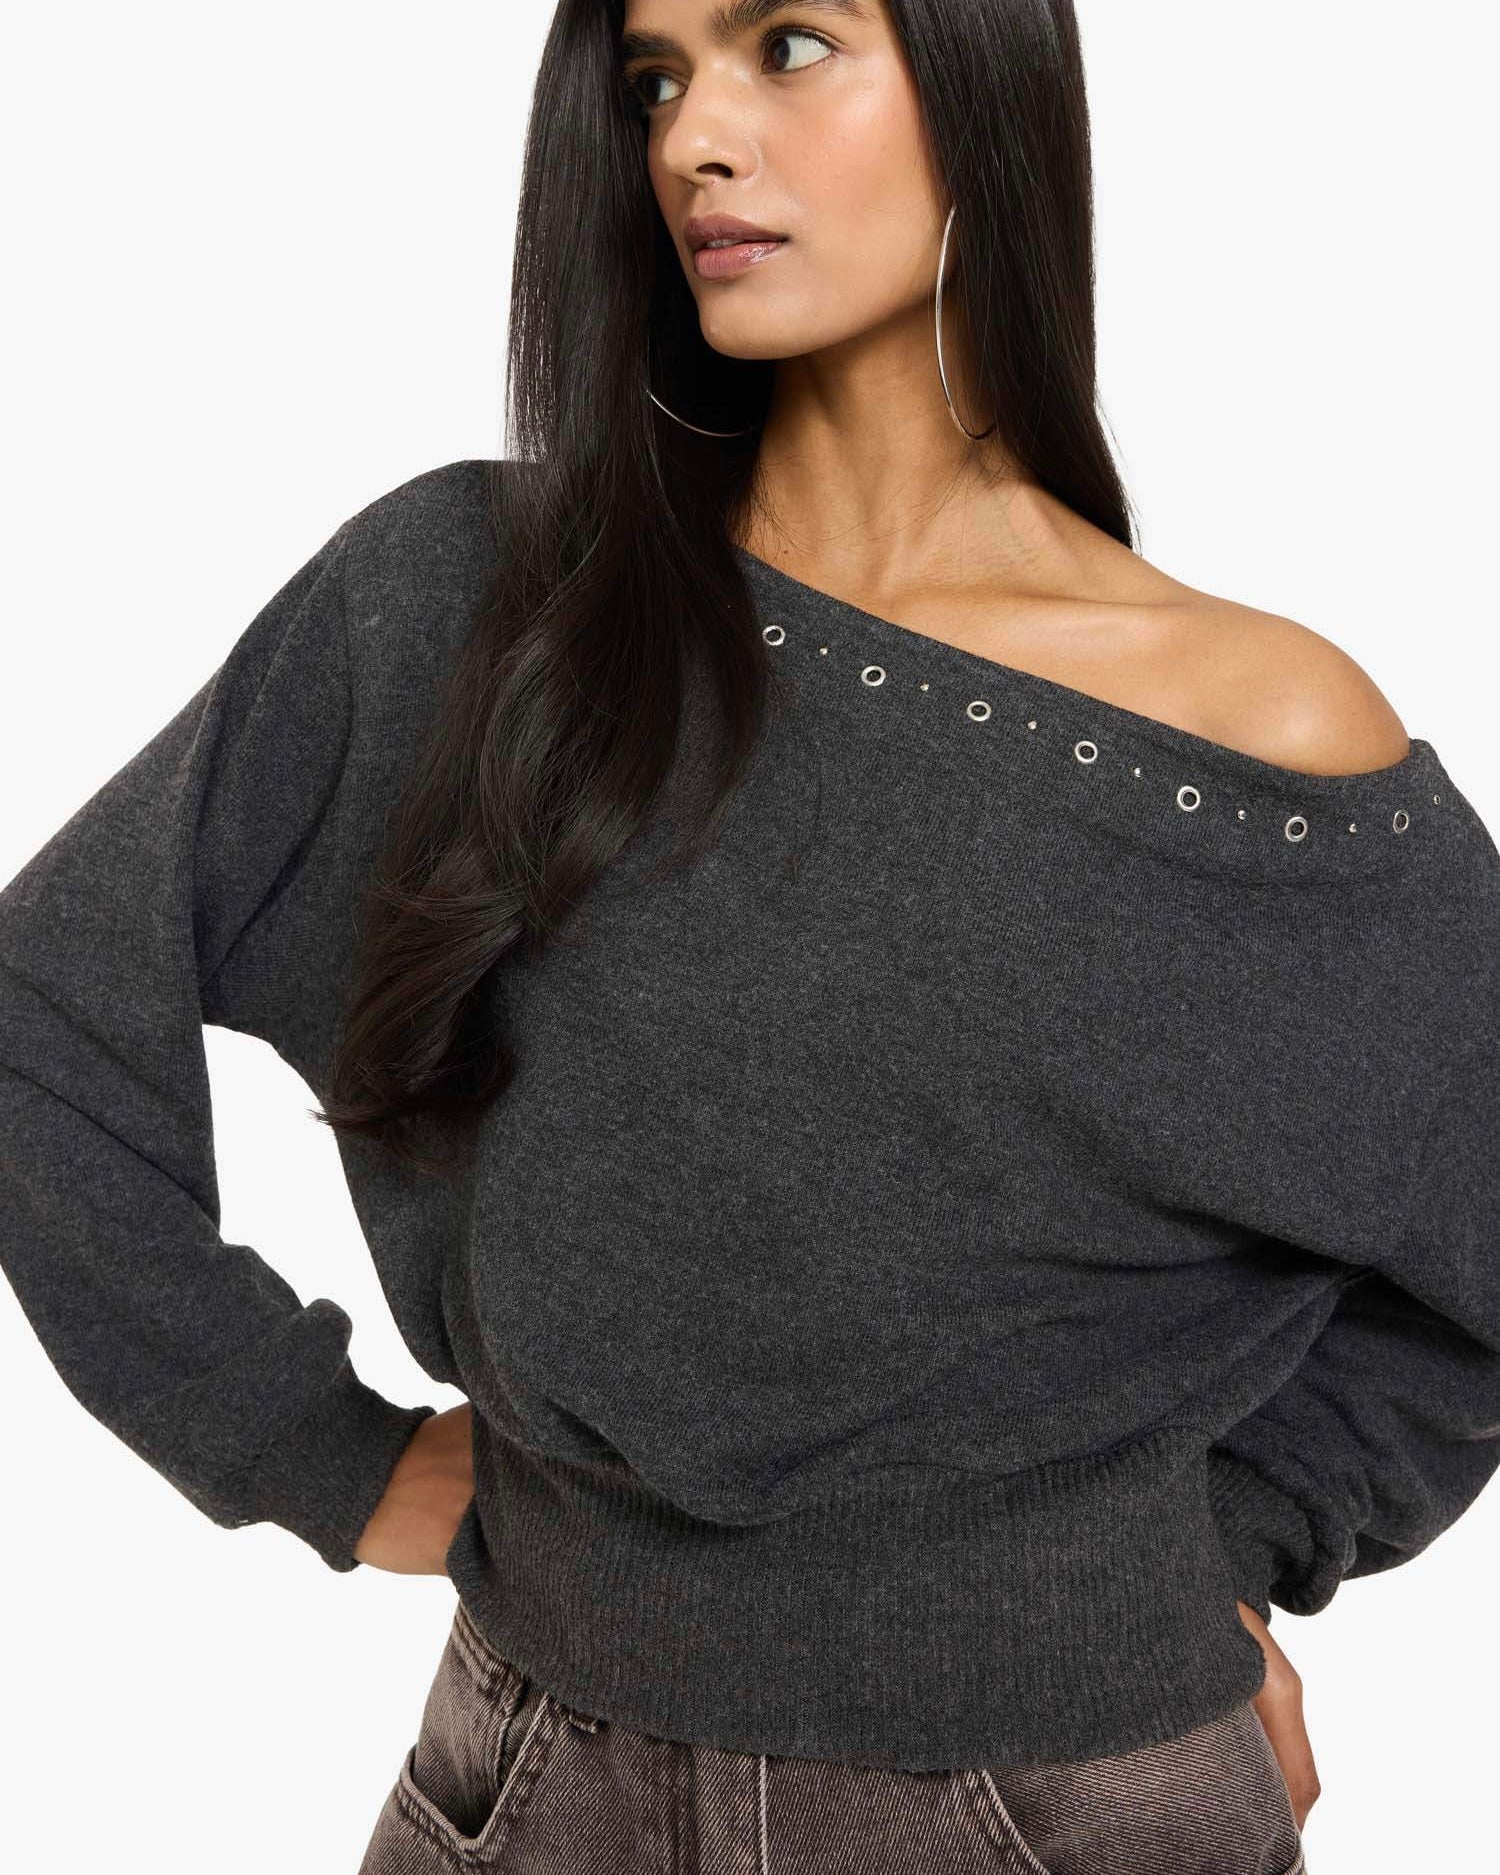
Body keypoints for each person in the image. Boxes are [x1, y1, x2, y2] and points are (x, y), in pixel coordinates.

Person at [2, 2, 1496, 1870]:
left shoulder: (1255, 736)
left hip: (1055, 1806)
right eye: (655, 79)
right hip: (524, 1773)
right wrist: (314, 1452)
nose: (694, 136)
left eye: (787, 43)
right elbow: (45, 1006)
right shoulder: (481, 599)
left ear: (984, 81)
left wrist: (1230, 1548)